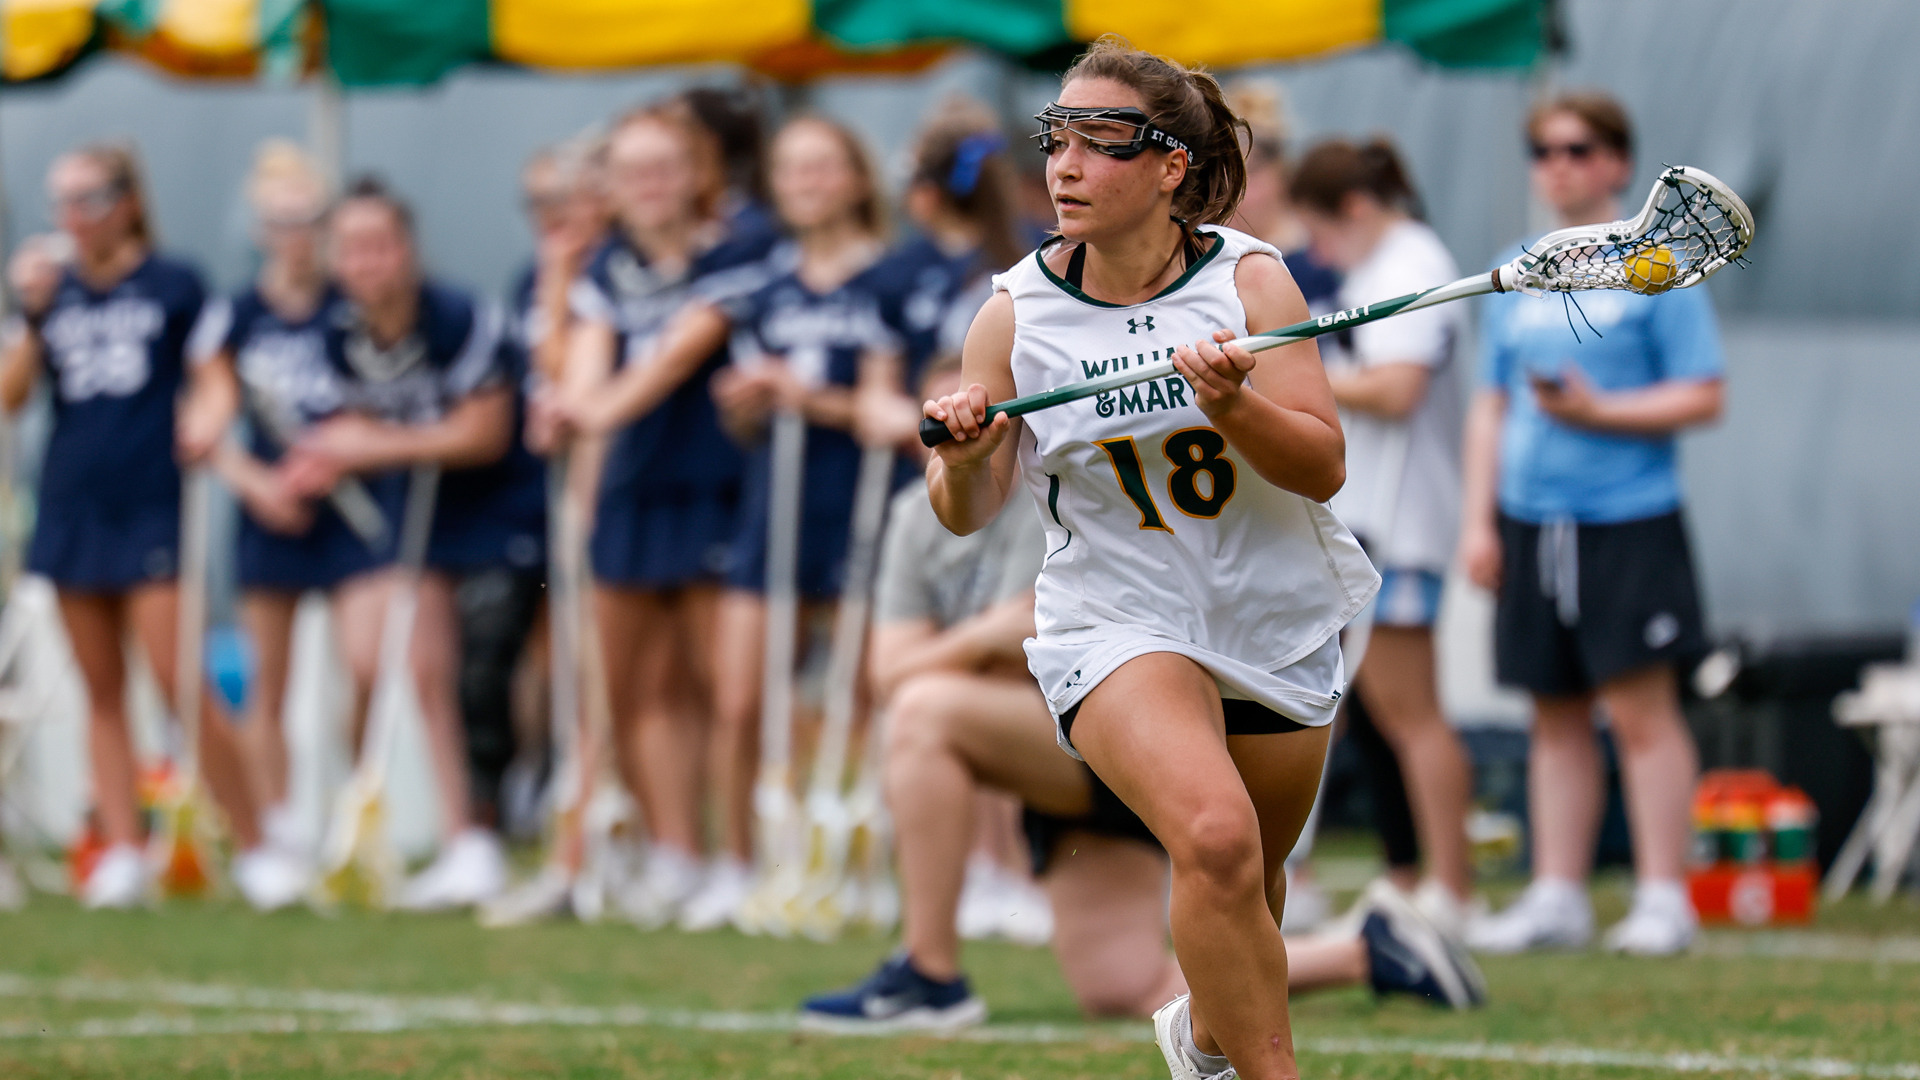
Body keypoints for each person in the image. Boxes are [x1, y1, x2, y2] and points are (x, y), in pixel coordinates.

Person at [922, 38, 1379, 1080]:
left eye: (1100, 142)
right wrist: (962, 460)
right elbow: (967, 510)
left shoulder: (1252, 283)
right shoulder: (1014, 314)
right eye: (1057, 138)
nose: (1066, 166)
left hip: (1271, 617)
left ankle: (1200, 1039)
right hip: (1116, 621)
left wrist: (1235, 405)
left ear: (1171, 166)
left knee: (1247, 894)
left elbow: (1321, 468)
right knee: (1213, 840)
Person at [802, 356, 1484, 1032]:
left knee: (928, 715)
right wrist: (985, 638)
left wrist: (975, 653)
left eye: (975, 419)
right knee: (1123, 985)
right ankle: (1370, 953)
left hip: (1126, 714)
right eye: (939, 429)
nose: (960, 436)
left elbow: (1003, 655)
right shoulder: (916, 513)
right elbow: (893, 671)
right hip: (1048, 746)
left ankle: (929, 973)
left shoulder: (1072, 481)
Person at [1460, 91, 1723, 957]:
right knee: (1553, 714)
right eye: (1542, 151)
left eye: (1576, 149)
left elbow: (1703, 393)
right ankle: (1558, 894)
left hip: (1629, 519)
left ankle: (1661, 896)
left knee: (1641, 712)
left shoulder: (1661, 267)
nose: (1557, 166)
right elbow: (1490, 407)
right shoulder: (1517, 267)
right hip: (1534, 523)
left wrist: (1601, 413)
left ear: (1616, 162)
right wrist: (1481, 523)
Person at [0, 144, 268, 908]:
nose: (73, 219)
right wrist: (31, 312)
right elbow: (11, 394)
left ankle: (254, 842)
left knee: (178, 680)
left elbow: (216, 382)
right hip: (71, 502)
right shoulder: (55, 293)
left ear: (126, 200)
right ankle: (120, 850)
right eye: (62, 202)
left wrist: (207, 424)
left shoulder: (172, 284)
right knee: (102, 688)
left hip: (150, 501)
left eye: (87, 200)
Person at [543, 101, 781, 929]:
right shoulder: (604, 268)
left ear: (694, 174)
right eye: (632, 170)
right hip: (629, 493)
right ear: (610, 184)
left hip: (715, 487)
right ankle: (676, 854)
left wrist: (586, 413)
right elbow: (585, 360)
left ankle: (736, 858)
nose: (648, 184)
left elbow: (674, 355)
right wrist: (570, 404)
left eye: (663, 167)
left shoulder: (743, 252)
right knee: (634, 690)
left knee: (722, 688)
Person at [277, 177, 516, 911]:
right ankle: (365, 828)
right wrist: (321, 460)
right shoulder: (333, 335)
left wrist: (373, 445)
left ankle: (470, 836)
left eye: (380, 246)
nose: (367, 262)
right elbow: (335, 434)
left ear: (409, 250)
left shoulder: (460, 319)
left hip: (488, 523)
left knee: (438, 672)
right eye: (351, 248)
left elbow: (483, 432)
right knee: (366, 663)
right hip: (390, 522)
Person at [1290, 137, 1476, 929]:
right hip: (1371, 513)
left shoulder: (1410, 264)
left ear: (1356, 209)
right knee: (1382, 707)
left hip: (1404, 518)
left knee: (1411, 709)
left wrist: (1292, 372)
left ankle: (1453, 888)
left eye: (1324, 233)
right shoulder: (1378, 266)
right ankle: (1416, 878)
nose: (1321, 253)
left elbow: (1398, 389)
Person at [183, 141, 374, 908]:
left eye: (309, 220)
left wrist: (337, 457)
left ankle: (359, 820)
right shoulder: (235, 314)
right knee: (269, 683)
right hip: (272, 515)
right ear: (261, 228)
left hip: (351, 512)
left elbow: (383, 396)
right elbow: (207, 416)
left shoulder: (351, 306)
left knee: (365, 667)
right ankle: (278, 828)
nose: (297, 235)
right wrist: (257, 482)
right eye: (281, 221)